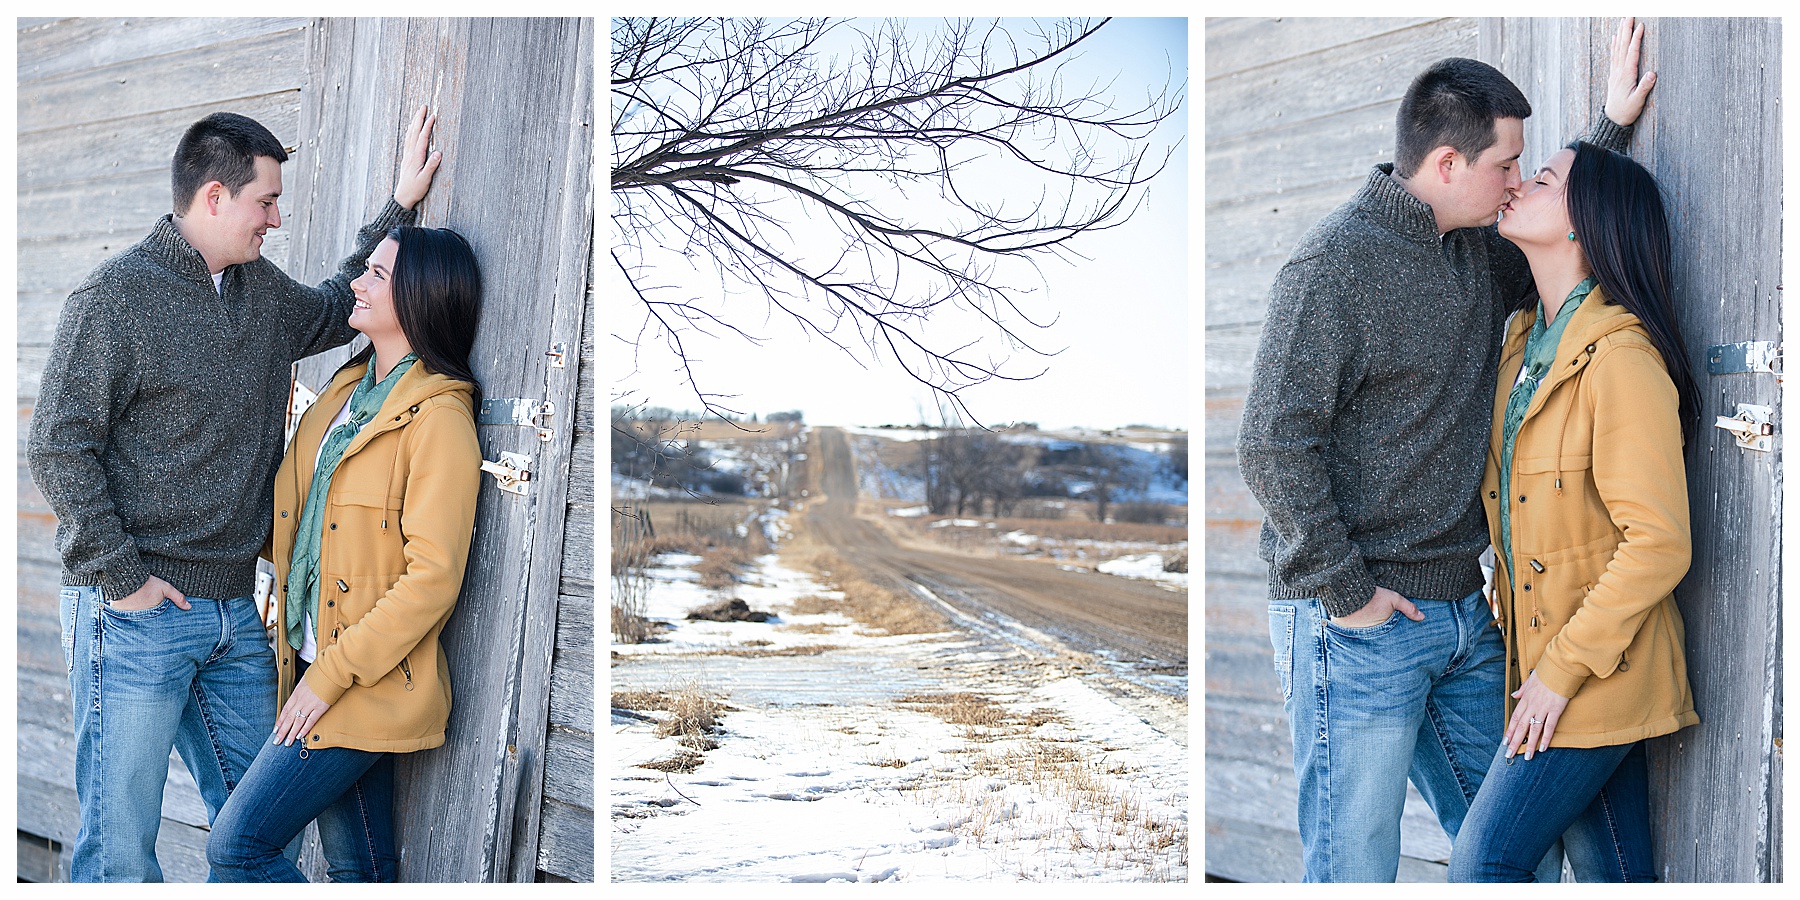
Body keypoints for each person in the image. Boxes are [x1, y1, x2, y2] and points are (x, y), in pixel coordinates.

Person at [1236, 18, 1656, 882]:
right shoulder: (1333, 269)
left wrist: (1608, 128)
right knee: (1355, 866)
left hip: (1466, 618)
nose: (1515, 184)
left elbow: (1564, 231)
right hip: (1359, 620)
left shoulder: (1476, 252)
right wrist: (1349, 593)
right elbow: (1271, 444)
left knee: (1508, 857)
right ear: (1447, 166)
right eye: (1506, 165)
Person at [27, 106, 442, 882]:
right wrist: (125, 578)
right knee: (119, 850)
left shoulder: (257, 292)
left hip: (232, 619)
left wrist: (400, 206)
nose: (276, 219)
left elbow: (332, 306)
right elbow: (57, 445)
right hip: (133, 613)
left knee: (258, 837)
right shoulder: (112, 300)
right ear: (214, 197)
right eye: (266, 202)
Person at [1446, 138, 1699, 883]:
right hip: (1544, 663)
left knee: (1483, 862)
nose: (1519, 185)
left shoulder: (1621, 360)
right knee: (1611, 877)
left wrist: (1559, 673)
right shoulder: (1525, 343)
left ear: (1583, 223)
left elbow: (1658, 542)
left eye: (1544, 178)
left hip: (1594, 671)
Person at [205, 225, 484, 882]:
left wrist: (329, 677)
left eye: (379, 276)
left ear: (420, 297)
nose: (358, 281)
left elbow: (433, 579)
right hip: (308, 657)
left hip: (360, 681)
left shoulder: (438, 420)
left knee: (236, 847)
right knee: (359, 866)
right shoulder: (345, 392)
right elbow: (295, 518)